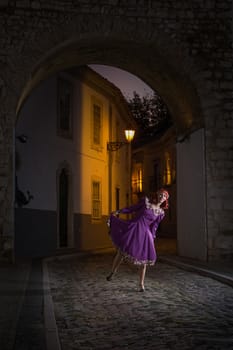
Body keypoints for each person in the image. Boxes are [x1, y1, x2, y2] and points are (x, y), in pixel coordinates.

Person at [106, 188, 169, 292]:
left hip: (145, 234)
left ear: (165, 200)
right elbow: (132, 208)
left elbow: (154, 226)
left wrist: (152, 238)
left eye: (164, 196)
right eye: (161, 195)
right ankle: (112, 272)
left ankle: (141, 284)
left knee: (144, 260)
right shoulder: (145, 202)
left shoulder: (161, 213)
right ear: (157, 194)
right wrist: (119, 211)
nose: (162, 197)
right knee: (121, 252)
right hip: (133, 228)